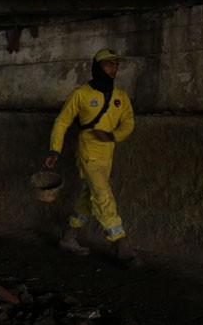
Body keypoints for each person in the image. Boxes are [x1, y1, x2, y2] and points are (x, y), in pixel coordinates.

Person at [44, 49, 138, 266]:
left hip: (107, 152)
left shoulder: (120, 97)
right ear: (97, 67)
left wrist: (112, 136)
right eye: (108, 64)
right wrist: (55, 150)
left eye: (116, 64)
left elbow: (129, 122)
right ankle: (121, 244)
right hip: (88, 151)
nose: (113, 68)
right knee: (103, 194)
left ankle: (69, 237)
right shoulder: (81, 94)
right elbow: (62, 121)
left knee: (89, 195)